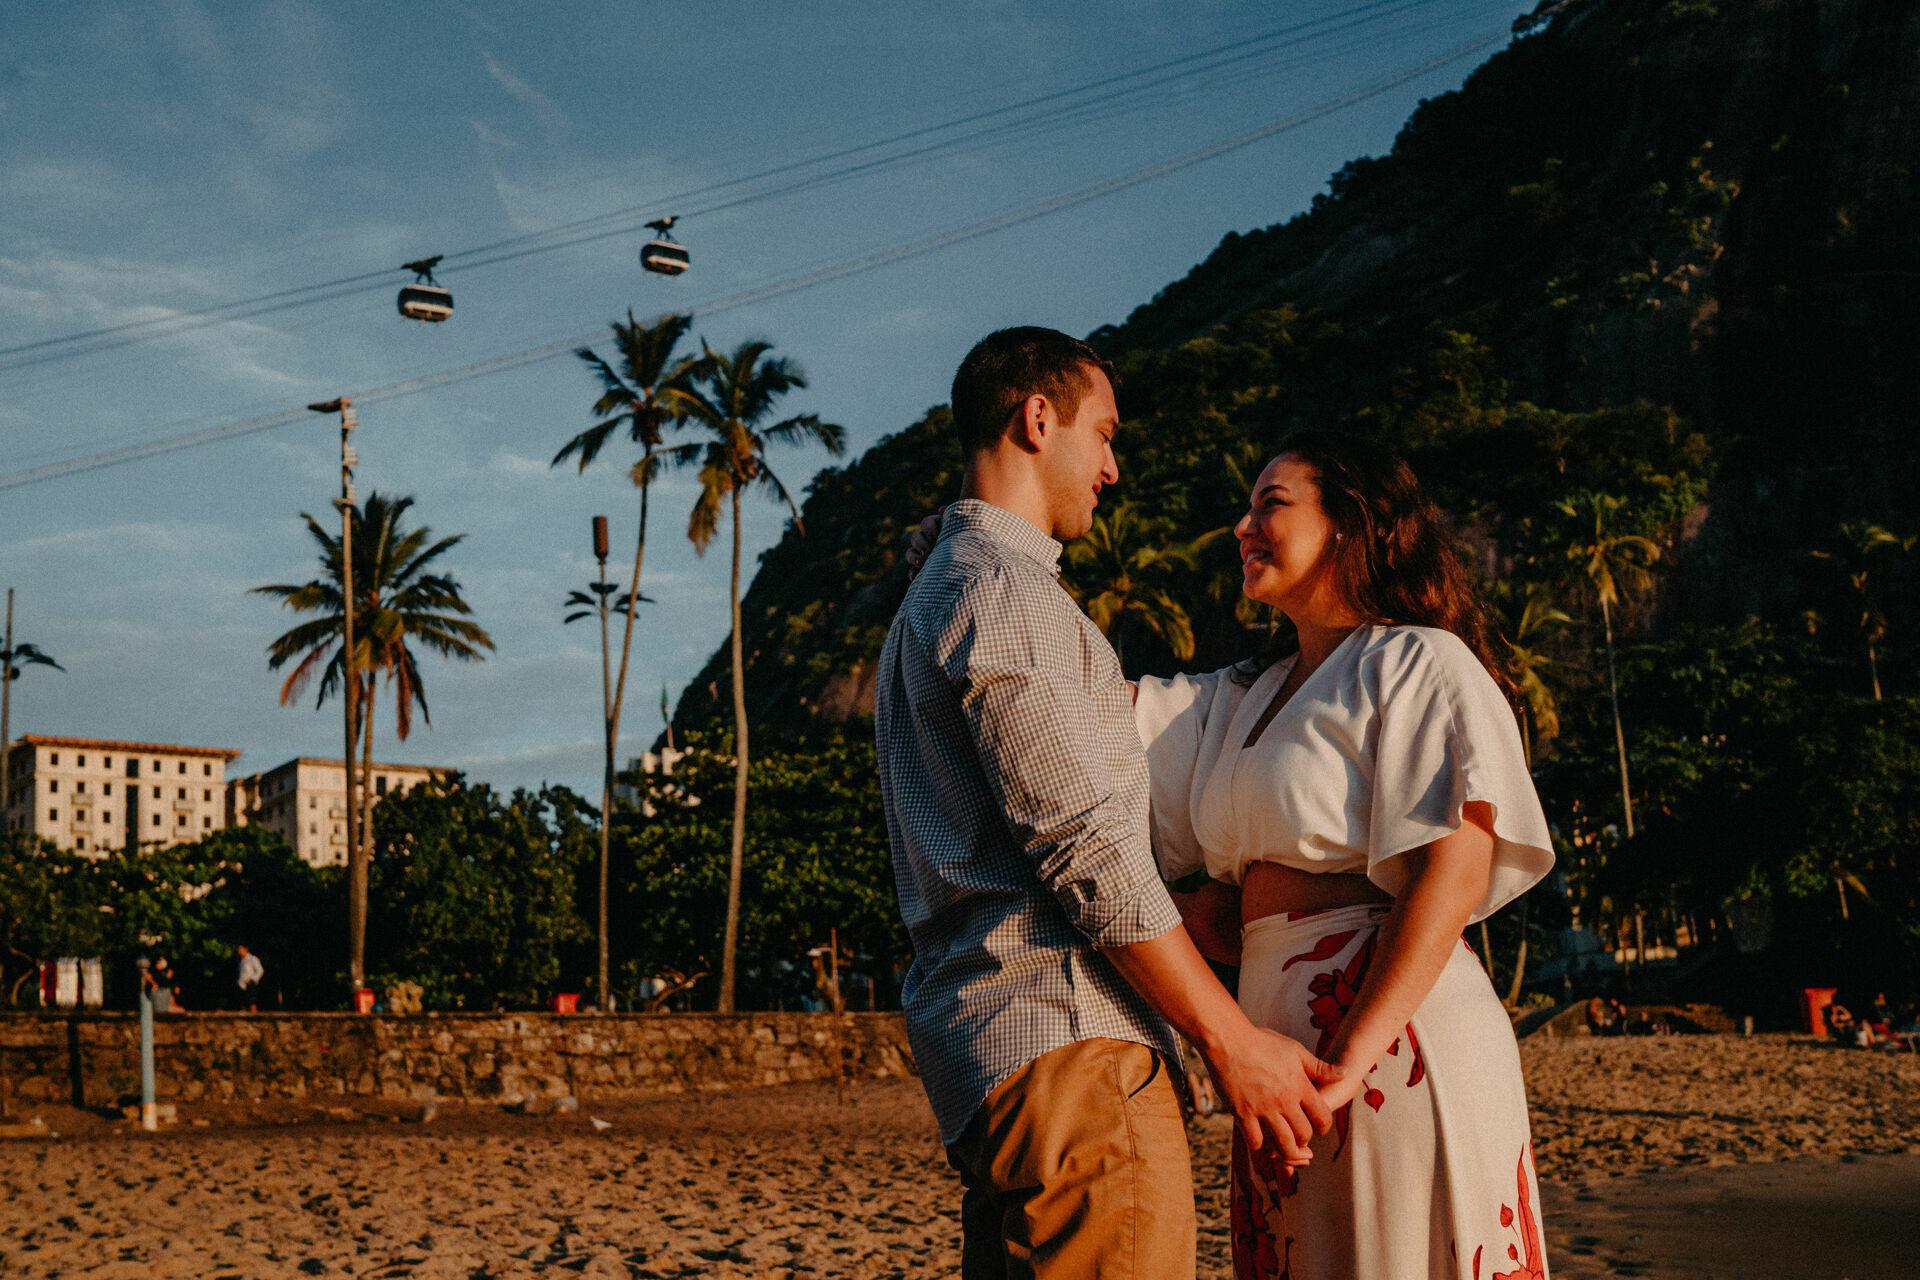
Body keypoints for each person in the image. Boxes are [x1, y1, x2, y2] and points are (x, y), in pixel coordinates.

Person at [877, 327, 1342, 1279]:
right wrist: (1231, 1040)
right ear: (1037, 419)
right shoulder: (1002, 592)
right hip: (1076, 1051)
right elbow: (1087, 855)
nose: (1113, 468)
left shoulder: (940, 590)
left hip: (995, 1067)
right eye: (1105, 433)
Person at [1130, 432, 1556, 1278]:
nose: (1242, 526)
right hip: (1277, 1056)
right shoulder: (1243, 696)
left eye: (1271, 506)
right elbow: (1086, 710)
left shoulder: (1415, 658)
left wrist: (1353, 1055)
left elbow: (1454, 863)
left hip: (1389, 1038)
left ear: (1350, 525)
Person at [236, 944, 264, 1011]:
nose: (239, 951)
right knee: (243, 1003)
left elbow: (260, 970)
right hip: (241, 985)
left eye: (241, 950)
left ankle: (254, 1019)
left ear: (246, 949)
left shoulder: (252, 959)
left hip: (250, 984)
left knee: (251, 1002)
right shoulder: (241, 961)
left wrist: (252, 979)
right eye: (238, 950)